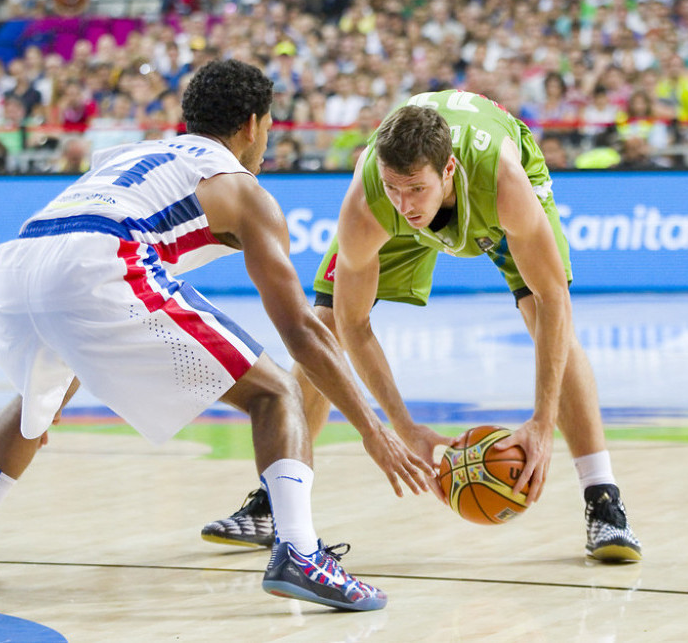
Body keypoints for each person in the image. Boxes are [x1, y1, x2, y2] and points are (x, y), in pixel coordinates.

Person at [0, 59, 434, 612]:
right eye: (268, 127)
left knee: (38, 401)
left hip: (19, 259)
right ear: (252, 125)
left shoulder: (140, 151)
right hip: (102, 256)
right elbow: (302, 332)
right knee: (276, 393)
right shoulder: (244, 191)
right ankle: (300, 553)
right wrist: (372, 429)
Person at [202, 89, 643, 564]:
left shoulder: (503, 183)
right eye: (395, 187)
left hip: (492, 187)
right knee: (324, 325)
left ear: (448, 171)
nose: (405, 203)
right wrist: (405, 427)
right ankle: (275, 501)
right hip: (418, 181)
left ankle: (604, 502)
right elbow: (353, 323)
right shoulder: (372, 201)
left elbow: (555, 300)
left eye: (416, 189)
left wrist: (541, 422)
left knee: (543, 317)